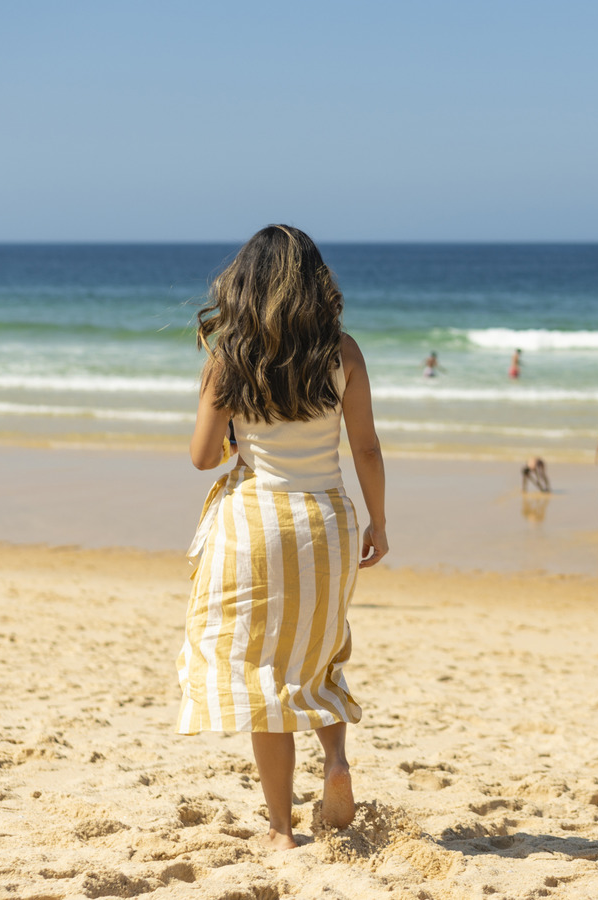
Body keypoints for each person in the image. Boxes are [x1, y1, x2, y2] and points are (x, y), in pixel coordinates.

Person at [183, 225, 388, 850]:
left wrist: (235, 434)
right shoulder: (343, 351)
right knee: (320, 651)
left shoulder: (230, 357)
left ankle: (279, 829)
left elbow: (201, 458)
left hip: (255, 520)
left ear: (244, 286)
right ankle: (335, 763)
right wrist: (379, 521)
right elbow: (366, 448)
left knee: (261, 674)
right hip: (324, 519)